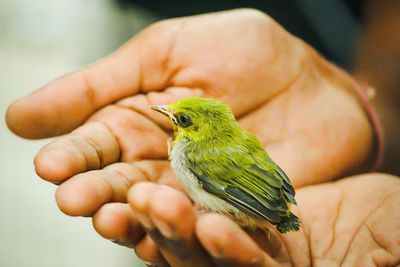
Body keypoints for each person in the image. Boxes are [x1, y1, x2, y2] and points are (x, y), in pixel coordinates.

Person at [6, 9, 400, 266]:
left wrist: (272, 214)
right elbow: (266, 175)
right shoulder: (228, 139)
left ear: (192, 130)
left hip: (262, 202)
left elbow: (231, 189)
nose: (169, 119)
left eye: (178, 119)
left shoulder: (194, 154)